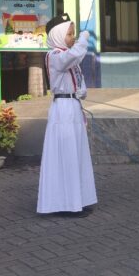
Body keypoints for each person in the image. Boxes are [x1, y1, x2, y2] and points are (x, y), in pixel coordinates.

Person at [37, 14, 96, 217]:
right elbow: (73, 56)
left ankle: (79, 199)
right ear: (58, 35)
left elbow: (77, 78)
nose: (73, 37)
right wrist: (84, 39)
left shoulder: (66, 56)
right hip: (62, 108)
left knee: (76, 153)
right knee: (66, 154)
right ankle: (66, 203)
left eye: (73, 34)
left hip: (72, 105)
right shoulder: (54, 55)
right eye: (69, 34)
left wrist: (81, 92)